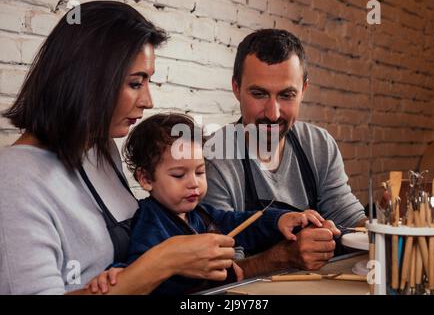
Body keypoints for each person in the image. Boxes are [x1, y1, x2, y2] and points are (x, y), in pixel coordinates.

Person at [0, 1, 236, 295]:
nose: (148, 101)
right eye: (136, 83)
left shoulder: (101, 148)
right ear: (86, 80)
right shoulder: (13, 179)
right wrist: (164, 261)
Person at [83, 113, 325, 294]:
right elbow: (142, 271)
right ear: (146, 178)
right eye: (179, 175)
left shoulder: (201, 214)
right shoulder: (150, 221)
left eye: (199, 172)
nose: (193, 184)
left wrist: (279, 219)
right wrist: (119, 273)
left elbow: (242, 223)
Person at [203, 29, 368, 278]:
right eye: (259, 94)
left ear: (304, 89)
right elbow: (219, 273)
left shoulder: (319, 144)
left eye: (286, 95)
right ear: (236, 88)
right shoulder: (214, 158)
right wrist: (281, 257)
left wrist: (388, 230)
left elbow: (350, 218)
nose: (273, 113)